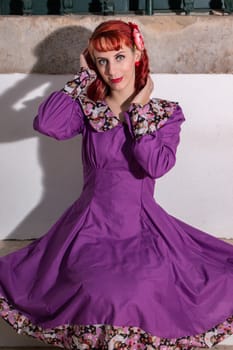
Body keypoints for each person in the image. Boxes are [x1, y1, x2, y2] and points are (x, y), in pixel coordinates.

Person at [0, 19, 233, 350]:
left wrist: (138, 108)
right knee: (93, 290)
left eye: (120, 56)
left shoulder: (164, 114)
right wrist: (82, 78)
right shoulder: (88, 110)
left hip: (142, 227)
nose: (112, 69)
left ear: (137, 54)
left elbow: (156, 164)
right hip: (87, 226)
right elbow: (47, 123)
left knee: (139, 290)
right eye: (102, 61)